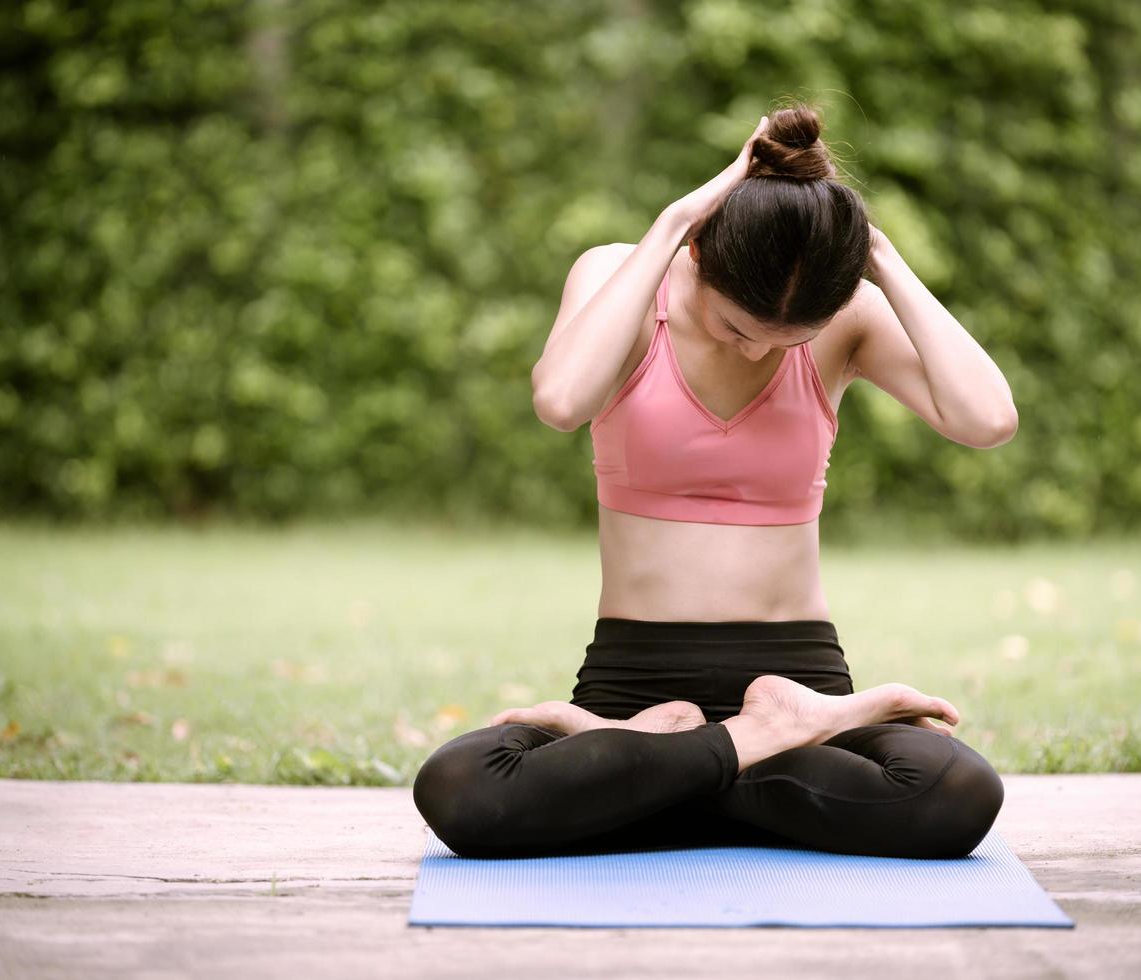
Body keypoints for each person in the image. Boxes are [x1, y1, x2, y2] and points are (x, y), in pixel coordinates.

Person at [412, 103, 1019, 860]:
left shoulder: (848, 319)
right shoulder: (622, 278)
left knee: (955, 791)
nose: (761, 352)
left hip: (801, 682)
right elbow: (561, 403)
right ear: (699, 253)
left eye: (787, 341)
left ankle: (652, 771)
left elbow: (988, 419)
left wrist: (881, 257)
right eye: (738, 328)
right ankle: (733, 748)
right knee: (460, 787)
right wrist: (672, 224)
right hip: (635, 687)